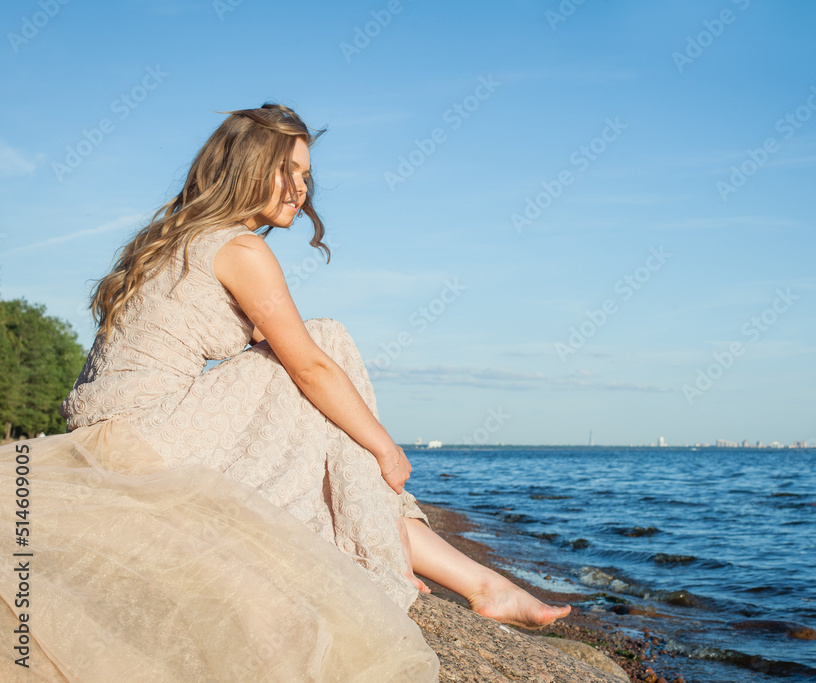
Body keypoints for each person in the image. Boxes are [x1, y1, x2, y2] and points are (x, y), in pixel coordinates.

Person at [2, 103, 568, 680]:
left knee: (317, 399)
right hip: (147, 437)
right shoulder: (241, 249)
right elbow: (312, 368)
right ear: (246, 168)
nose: (301, 188)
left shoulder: (173, 241)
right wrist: (385, 449)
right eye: (287, 171)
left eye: (305, 175)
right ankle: (412, 564)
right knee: (327, 341)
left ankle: (477, 581)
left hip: (99, 439)